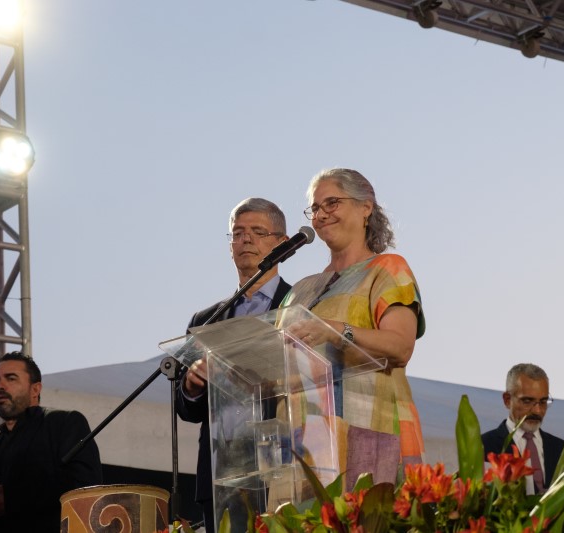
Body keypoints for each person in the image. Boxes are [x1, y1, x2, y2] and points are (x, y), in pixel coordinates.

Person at [281, 168, 425, 491]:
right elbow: (284, 367)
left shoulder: (387, 270)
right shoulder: (299, 291)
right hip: (306, 448)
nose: (321, 215)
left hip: (372, 436)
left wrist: (337, 332)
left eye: (332, 202)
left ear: (366, 208)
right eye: (315, 208)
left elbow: (400, 347)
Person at [175, 197, 292, 533]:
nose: (246, 240)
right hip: (220, 475)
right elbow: (186, 408)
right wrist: (192, 384)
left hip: (280, 468)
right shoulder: (206, 319)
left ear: (282, 244)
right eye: (237, 233)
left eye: (258, 231)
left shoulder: (299, 301)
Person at [0, 351, 103, 533]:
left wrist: (14, 499)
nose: (0, 386)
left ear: (35, 389)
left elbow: (86, 488)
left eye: (11, 379)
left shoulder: (64, 423)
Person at [481, 363, 564, 494]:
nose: (537, 410)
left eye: (543, 402)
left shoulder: (562, 449)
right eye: (527, 401)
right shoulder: (483, 446)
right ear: (507, 400)